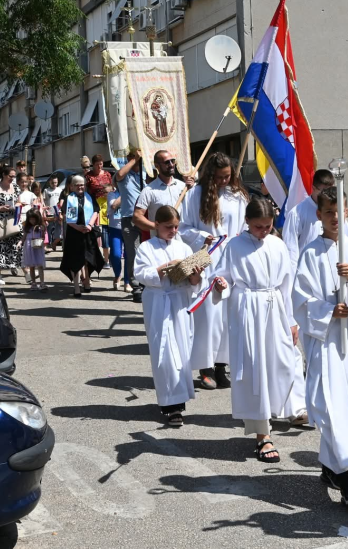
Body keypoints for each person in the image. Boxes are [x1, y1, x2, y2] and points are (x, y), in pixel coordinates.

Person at [292, 187, 348, 506]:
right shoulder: (310, 253)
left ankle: (330, 466)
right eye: (328, 213)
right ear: (319, 215)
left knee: (344, 403)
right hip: (325, 338)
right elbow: (300, 299)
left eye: (339, 212)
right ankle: (346, 476)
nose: (334, 218)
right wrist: (328, 311)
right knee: (327, 402)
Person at [215, 198, 297, 463]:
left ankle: (279, 412)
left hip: (275, 309)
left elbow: (287, 285)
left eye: (268, 226)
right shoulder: (235, 245)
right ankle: (262, 435)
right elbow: (224, 277)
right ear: (247, 222)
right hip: (247, 311)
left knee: (281, 364)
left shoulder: (278, 244)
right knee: (254, 370)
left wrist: (292, 320)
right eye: (259, 226)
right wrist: (220, 284)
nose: (264, 231)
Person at [179, 152, 249, 391]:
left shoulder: (238, 196)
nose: (223, 182)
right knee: (208, 317)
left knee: (229, 317)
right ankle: (205, 368)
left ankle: (222, 365)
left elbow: (245, 226)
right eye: (219, 177)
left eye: (227, 177)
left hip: (231, 260)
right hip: (206, 258)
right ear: (210, 175)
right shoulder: (195, 196)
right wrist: (201, 236)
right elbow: (183, 228)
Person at [133, 205, 202, 427]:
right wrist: (163, 268)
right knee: (164, 353)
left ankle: (179, 401)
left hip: (179, 302)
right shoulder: (146, 247)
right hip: (158, 302)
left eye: (175, 227)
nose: (173, 231)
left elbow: (195, 283)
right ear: (156, 225)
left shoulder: (183, 247)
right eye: (168, 227)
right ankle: (170, 405)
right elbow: (141, 274)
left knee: (181, 351)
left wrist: (194, 276)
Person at [282, 169, 348, 270]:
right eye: (324, 191)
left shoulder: (337, 211)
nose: (328, 194)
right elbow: (291, 247)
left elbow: (347, 238)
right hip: (309, 266)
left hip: (334, 265)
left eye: (331, 189)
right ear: (313, 188)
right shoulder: (297, 213)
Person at [133, 150, 193, 239]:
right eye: (167, 162)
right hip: (161, 245)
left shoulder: (183, 187)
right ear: (157, 166)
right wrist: (156, 226)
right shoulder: (149, 190)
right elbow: (137, 217)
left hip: (183, 242)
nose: (171, 164)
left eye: (172, 161)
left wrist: (193, 189)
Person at [60, 175, 104, 296]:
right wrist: (78, 227)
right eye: (77, 185)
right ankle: (76, 287)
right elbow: (67, 218)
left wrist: (90, 225)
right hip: (74, 232)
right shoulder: (70, 199)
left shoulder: (90, 197)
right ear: (72, 186)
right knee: (76, 259)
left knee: (87, 258)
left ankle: (87, 282)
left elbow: (96, 211)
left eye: (82, 184)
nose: (80, 187)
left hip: (88, 232)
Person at [116, 149, 147, 301]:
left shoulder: (146, 173)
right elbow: (119, 175)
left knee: (148, 251)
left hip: (146, 217)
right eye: (132, 156)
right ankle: (136, 286)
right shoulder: (124, 175)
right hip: (129, 218)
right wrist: (134, 160)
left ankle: (147, 282)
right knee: (133, 252)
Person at [21, 208, 49, 291]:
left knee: (40, 266)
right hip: (29, 247)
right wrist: (20, 242)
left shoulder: (41, 227)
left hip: (38, 246)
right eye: (30, 219)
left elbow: (43, 237)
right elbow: (24, 237)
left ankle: (42, 283)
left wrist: (43, 233)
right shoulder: (27, 227)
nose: (32, 221)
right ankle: (33, 283)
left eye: (34, 219)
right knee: (32, 266)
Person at [105, 183, 125, 290]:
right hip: (114, 228)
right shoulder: (112, 194)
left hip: (128, 228)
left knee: (129, 256)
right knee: (115, 254)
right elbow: (113, 205)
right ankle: (118, 275)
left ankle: (127, 281)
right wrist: (125, 193)